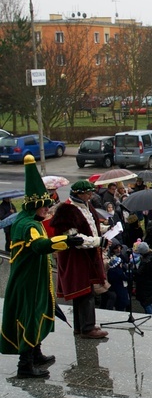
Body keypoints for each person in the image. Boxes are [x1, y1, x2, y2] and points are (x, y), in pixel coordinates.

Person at [1, 156, 83, 378]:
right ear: (35, 206)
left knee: (39, 313)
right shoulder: (28, 225)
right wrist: (66, 241)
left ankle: (36, 353)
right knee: (30, 316)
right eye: (45, 205)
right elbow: (39, 246)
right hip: (28, 282)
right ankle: (25, 365)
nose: (48, 208)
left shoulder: (28, 222)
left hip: (34, 279)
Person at [50, 180, 109, 340]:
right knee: (84, 292)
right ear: (78, 194)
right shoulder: (67, 210)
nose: (90, 195)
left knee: (83, 291)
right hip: (75, 257)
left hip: (86, 256)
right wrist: (98, 241)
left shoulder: (85, 205)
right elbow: (75, 237)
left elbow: (89, 225)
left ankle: (80, 326)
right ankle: (88, 328)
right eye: (87, 193)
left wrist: (104, 229)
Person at [133, 241, 152, 314]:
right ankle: (151, 314)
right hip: (151, 282)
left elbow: (139, 272)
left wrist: (132, 270)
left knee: (145, 303)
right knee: (149, 302)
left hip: (145, 284)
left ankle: (150, 316)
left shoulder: (146, 262)